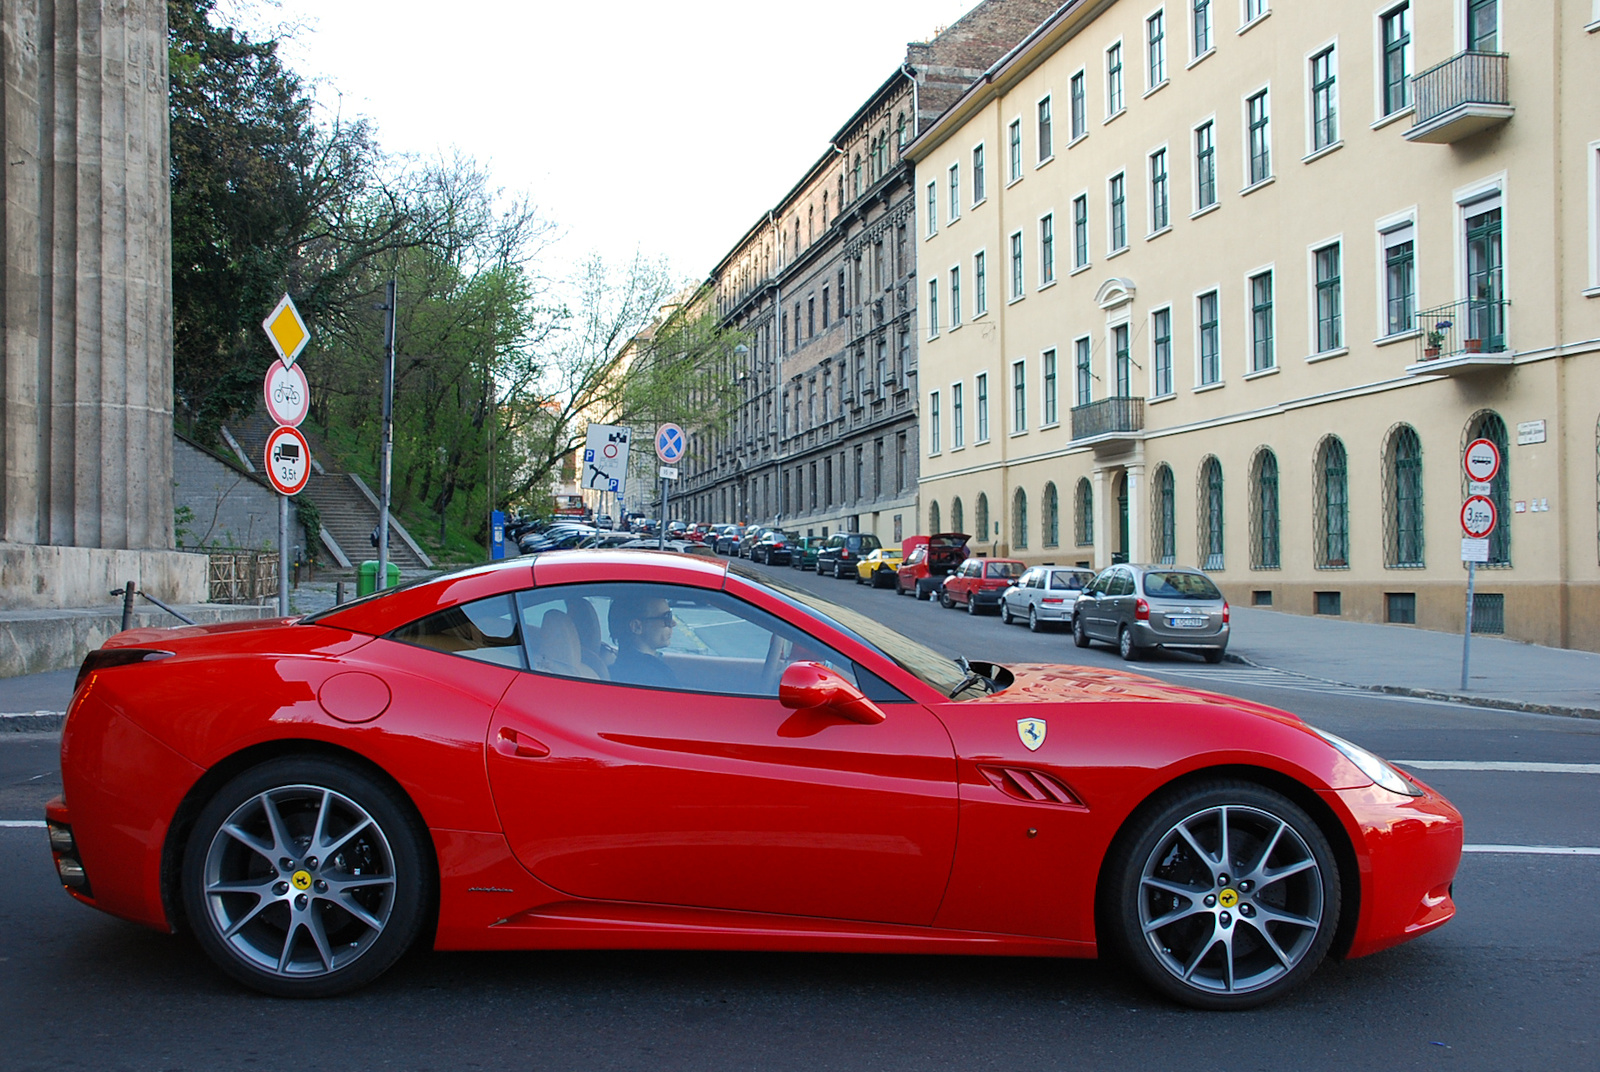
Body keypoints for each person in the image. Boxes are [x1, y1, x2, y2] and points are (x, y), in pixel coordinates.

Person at [607, 592, 680, 688]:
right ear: (637, 627)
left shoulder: (623, 668)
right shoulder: (651, 676)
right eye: (666, 617)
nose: (673, 623)